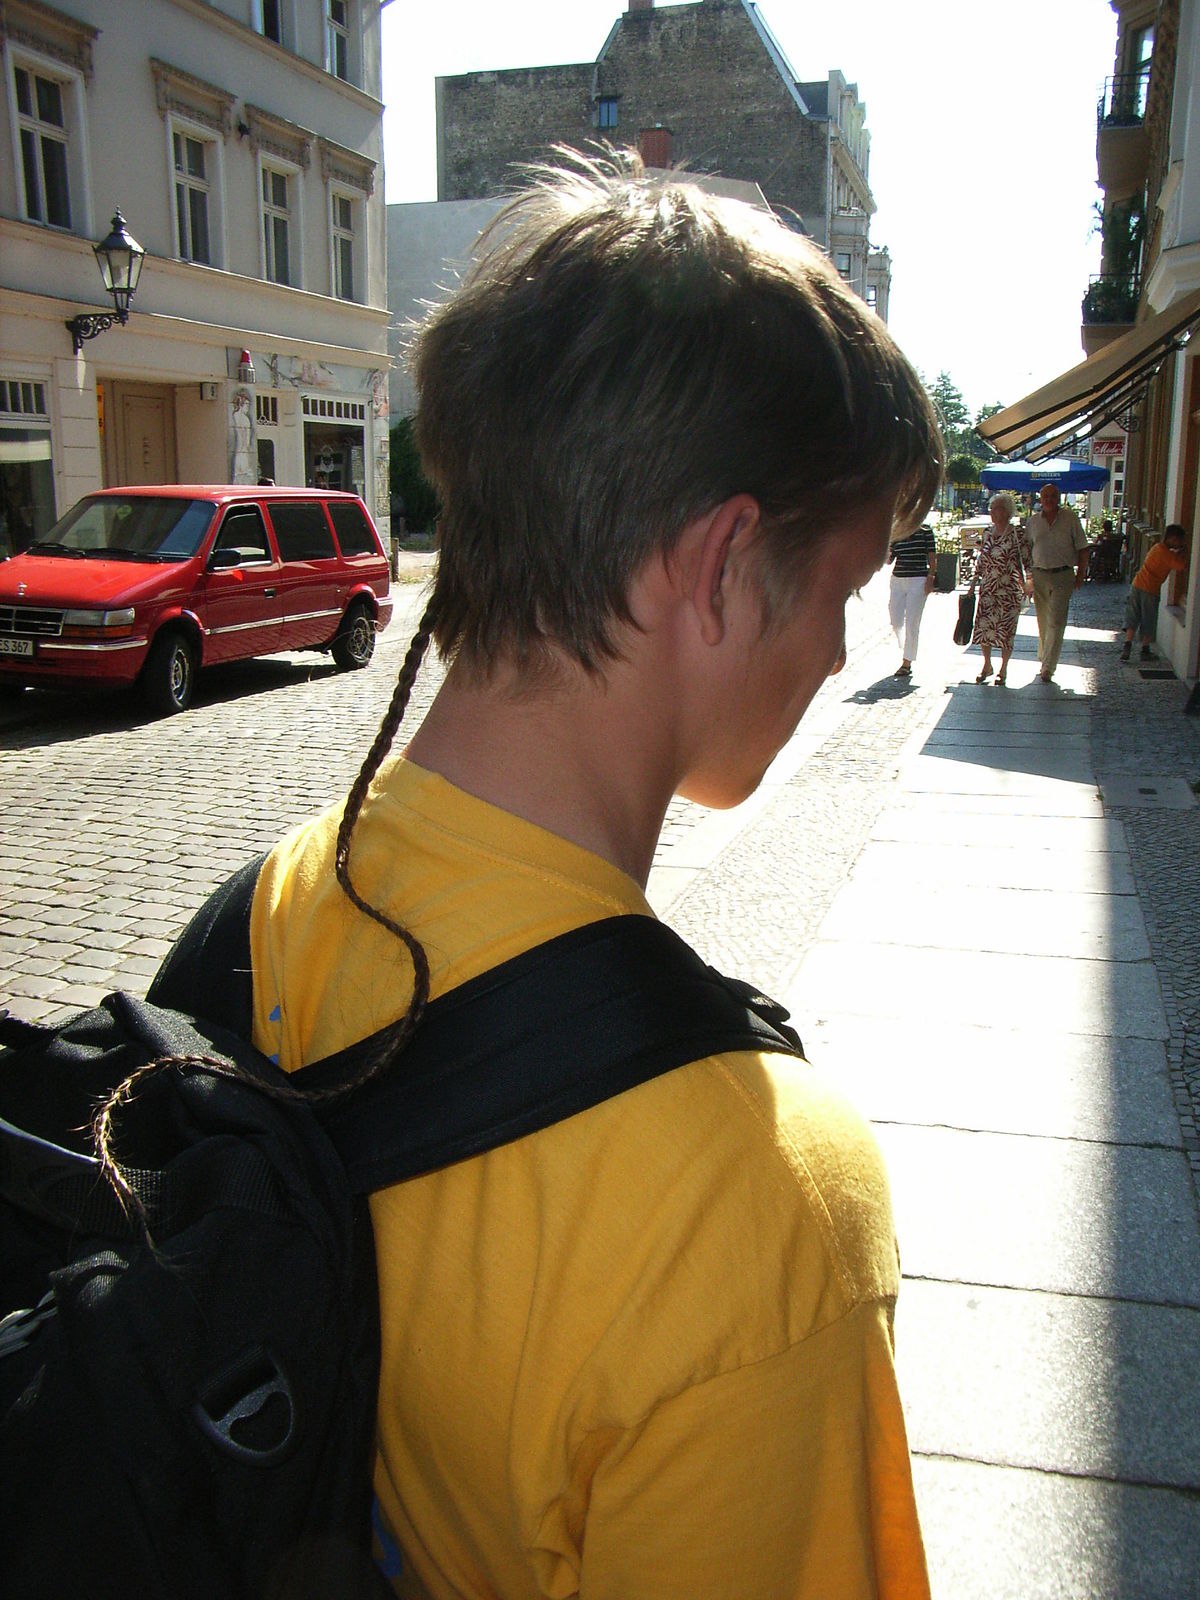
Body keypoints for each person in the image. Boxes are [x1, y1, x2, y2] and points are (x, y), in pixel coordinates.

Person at [248, 152, 942, 1598]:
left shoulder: (277, 902)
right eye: (840, 589)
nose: (836, 652)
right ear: (720, 564)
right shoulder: (756, 1214)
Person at [1021, 482, 1089, 682]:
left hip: (1063, 574)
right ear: (1040, 499)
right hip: (1039, 575)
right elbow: (1025, 549)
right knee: (1043, 621)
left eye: (1052, 496)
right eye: (1045, 496)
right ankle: (1045, 658)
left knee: (1057, 622)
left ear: (1058, 498)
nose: (1049, 500)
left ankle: (1048, 667)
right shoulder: (1034, 522)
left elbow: (1083, 548)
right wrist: (1028, 577)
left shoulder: (1070, 518)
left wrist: (1081, 574)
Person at [969, 491, 1026, 685]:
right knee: (984, 629)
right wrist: (973, 584)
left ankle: (1004, 669)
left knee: (1006, 631)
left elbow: (1026, 560)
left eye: (997, 509)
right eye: (991, 509)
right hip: (988, 589)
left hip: (1009, 590)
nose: (993, 512)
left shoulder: (1017, 534)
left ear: (1007, 512)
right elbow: (982, 560)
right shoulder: (987, 532)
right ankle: (987, 665)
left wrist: (1028, 583)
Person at [1120, 523, 1188, 661]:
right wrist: (1184, 552)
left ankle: (1127, 645)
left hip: (1137, 584)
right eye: (1179, 541)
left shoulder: (1156, 548)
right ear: (1173, 539)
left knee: (1133, 615)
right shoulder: (1167, 555)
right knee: (1149, 618)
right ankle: (1145, 650)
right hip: (1150, 589)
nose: (1180, 543)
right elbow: (1181, 566)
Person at [886, 521, 937, 677]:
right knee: (895, 620)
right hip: (898, 579)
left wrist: (931, 577)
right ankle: (907, 646)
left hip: (918, 579)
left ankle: (906, 662)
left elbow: (932, 556)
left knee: (912, 621)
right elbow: (889, 560)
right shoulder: (897, 532)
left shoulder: (925, 531)